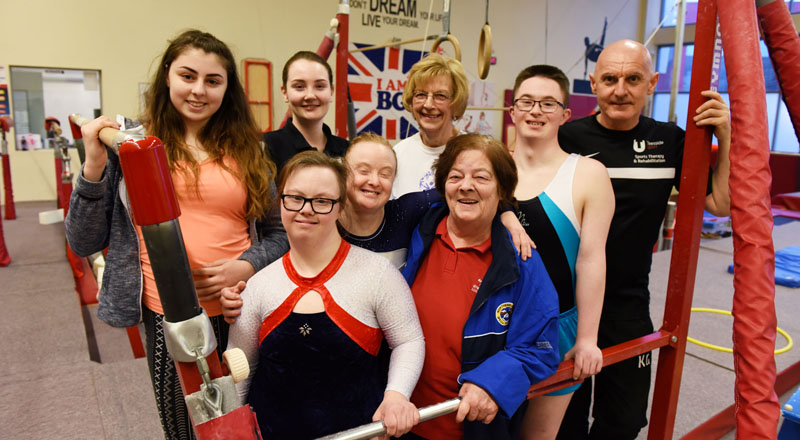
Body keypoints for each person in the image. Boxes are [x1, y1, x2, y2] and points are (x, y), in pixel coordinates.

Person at [64, 30, 288, 440]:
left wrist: (246, 264)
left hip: (242, 307)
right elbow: (83, 241)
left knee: (252, 416)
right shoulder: (131, 145)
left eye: (213, 81)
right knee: (187, 425)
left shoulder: (250, 151)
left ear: (227, 87)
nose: (199, 90)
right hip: (167, 312)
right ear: (168, 76)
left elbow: (278, 236)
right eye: (188, 76)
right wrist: (93, 165)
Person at [556, 39, 731, 439]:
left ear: (652, 83)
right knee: (563, 420)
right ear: (593, 83)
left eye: (633, 79)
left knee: (625, 419)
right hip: (564, 301)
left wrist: (727, 135)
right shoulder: (566, 140)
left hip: (628, 302)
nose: (621, 90)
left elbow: (719, 203)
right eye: (610, 79)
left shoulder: (670, 142)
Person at [225, 151, 425, 439]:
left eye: (321, 201)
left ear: (340, 208)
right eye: (295, 198)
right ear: (280, 203)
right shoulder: (258, 286)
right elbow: (241, 367)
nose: (306, 209)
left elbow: (409, 340)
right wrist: (230, 429)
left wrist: (396, 395)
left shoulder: (378, 275)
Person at [401, 133, 561, 440]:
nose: (465, 186)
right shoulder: (415, 230)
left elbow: (542, 347)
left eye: (481, 177)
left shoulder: (521, 261)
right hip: (401, 421)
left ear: (502, 189)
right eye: (456, 176)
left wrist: (492, 381)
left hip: (472, 428)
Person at [506, 65, 615, 440]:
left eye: (548, 104)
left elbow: (591, 260)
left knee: (537, 435)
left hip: (557, 327)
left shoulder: (588, 173)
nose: (536, 111)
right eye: (527, 102)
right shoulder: (491, 168)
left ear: (565, 115)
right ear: (513, 110)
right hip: (494, 321)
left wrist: (587, 337)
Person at [392, 53, 469, 198]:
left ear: (457, 103)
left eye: (440, 96)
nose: (428, 104)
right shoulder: (398, 155)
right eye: (421, 94)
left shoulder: (475, 153)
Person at [264, 51, 349, 174]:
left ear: (331, 92)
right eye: (299, 86)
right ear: (284, 93)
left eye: (319, 86)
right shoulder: (266, 148)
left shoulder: (347, 150)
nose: (310, 95)